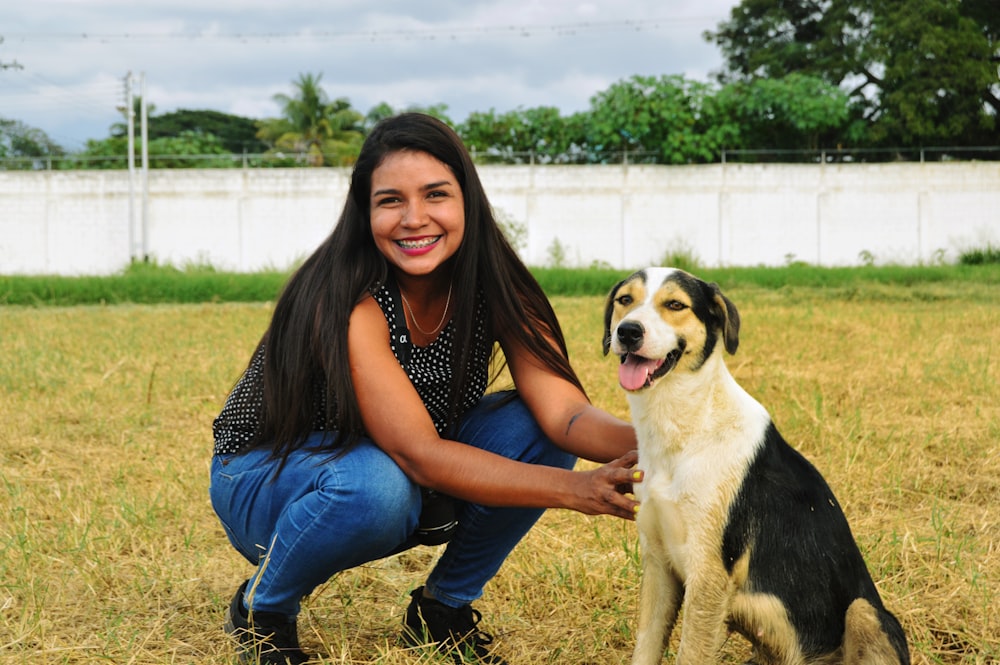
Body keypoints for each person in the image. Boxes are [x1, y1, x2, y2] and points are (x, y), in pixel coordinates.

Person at [209, 112, 641, 665]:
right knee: (376, 487)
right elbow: (418, 453)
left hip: (390, 463)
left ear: (467, 200)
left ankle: (442, 608)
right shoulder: (344, 297)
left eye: (435, 194)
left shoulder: (497, 284)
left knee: (531, 427)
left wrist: (663, 443)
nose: (414, 219)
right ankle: (262, 609)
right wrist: (574, 490)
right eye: (390, 201)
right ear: (365, 211)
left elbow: (567, 417)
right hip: (269, 475)